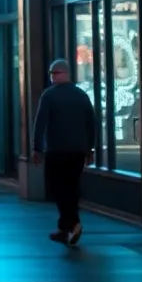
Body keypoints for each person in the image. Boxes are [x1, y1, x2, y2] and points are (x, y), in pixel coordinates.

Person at [32, 58, 96, 246]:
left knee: (58, 188)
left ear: (65, 74)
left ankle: (72, 223)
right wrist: (89, 148)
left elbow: (40, 122)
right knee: (71, 186)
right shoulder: (81, 95)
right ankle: (65, 227)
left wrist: (37, 148)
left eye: (55, 73)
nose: (52, 77)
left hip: (57, 150)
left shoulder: (49, 95)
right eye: (51, 73)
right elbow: (91, 124)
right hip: (77, 151)